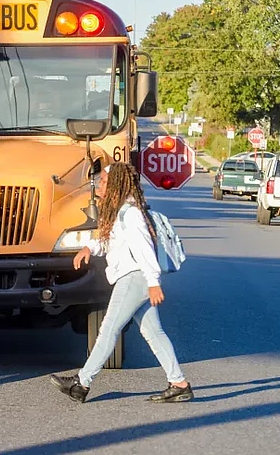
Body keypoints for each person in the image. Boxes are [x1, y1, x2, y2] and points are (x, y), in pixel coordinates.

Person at [50, 163, 193, 403]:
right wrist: (89, 247)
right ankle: (179, 383)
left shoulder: (131, 214)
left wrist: (153, 281)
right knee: (153, 332)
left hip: (134, 277)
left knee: (108, 330)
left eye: (105, 181)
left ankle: (81, 383)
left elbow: (144, 248)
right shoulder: (122, 212)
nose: (100, 184)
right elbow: (111, 242)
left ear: (116, 184)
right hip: (136, 277)